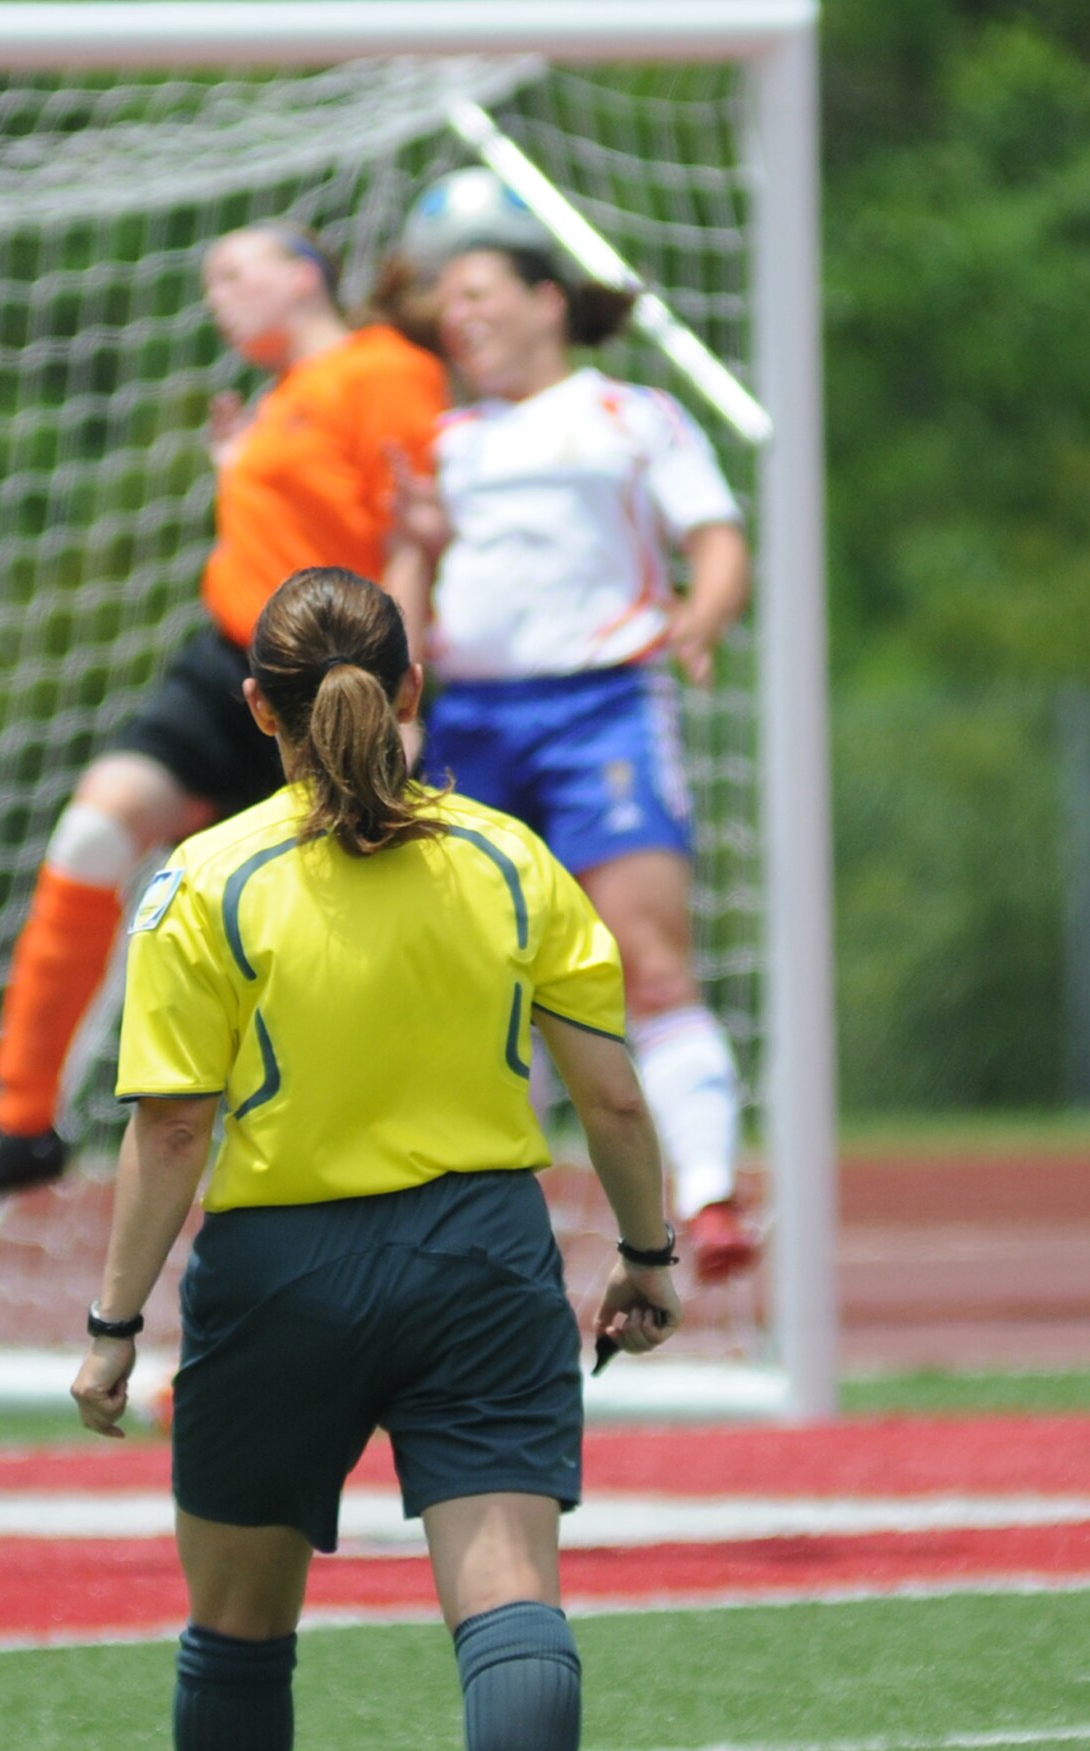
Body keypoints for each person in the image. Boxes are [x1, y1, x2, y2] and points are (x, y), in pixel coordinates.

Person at [71, 565, 683, 1751]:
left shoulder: (203, 883)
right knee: (506, 1597)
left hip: (278, 1273)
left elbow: (171, 1131)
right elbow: (612, 1098)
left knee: (238, 1619)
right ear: (413, 690)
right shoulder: (508, 859)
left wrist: (110, 1330)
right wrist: (645, 1256)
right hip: (480, 1255)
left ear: (254, 711)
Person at [0, 224, 447, 1215]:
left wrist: (393, 691)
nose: (218, 295)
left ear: (303, 275)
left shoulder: (383, 370)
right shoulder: (274, 403)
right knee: (92, 827)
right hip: (227, 661)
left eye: (233, 272)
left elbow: (409, 530)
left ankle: (265, 1289)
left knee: (289, 980)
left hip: (334, 677)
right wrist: (234, 474)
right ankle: (21, 1117)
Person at [389, 194, 758, 1287]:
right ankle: (476, 1214)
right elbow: (410, 576)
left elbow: (715, 537)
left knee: (645, 954)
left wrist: (707, 610)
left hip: (601, 704)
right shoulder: (442, 440)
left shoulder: (630, 412)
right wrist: (398, 700)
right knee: (472, 983)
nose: (458, 315)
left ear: (545, 298)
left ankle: (708, 1194)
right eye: (443, 302)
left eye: (477, 292)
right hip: (473, 718)